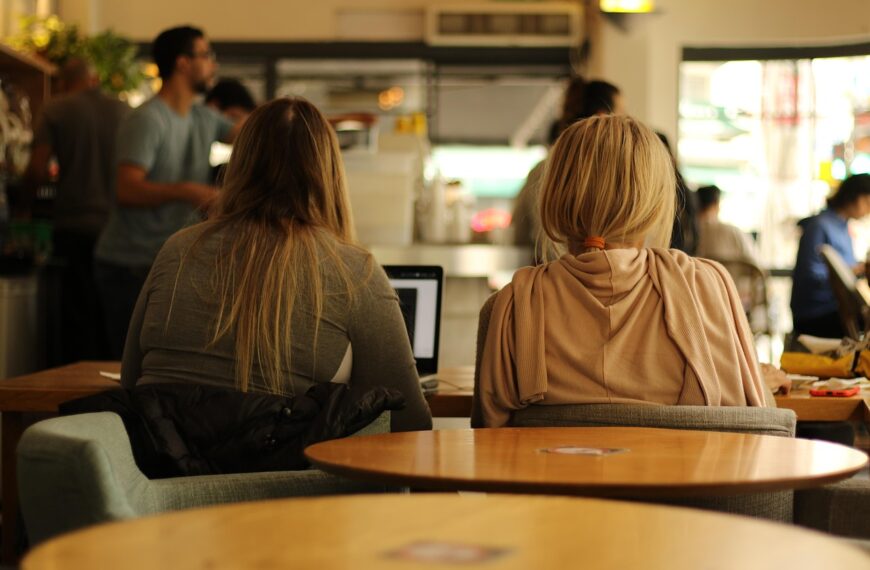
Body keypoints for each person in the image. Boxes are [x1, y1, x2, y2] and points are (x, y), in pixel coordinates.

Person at [120, 97, 432, 433]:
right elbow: (410, 419)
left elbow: (131, 379)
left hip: (159, 477)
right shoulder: (353, 272)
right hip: (288, 484)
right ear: (329, 173)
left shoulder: (178, 250)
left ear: (239, 163)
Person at [473, 115, 784, 428]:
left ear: (553, 195)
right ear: (654, 201)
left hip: (552, 476)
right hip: (683, 475)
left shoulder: (512, 307)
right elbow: (757, 428)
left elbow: (488, 444)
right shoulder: (706, 286)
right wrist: (754, 378)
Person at [94, 25, 243, 357]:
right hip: (128, 264)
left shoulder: (203, 117)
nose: (213, 65)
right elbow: (127, 189)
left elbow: (255, 132)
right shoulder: (147, 119)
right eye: (206, 55)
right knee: (131, 367)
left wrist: (322, 123)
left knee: (162, 362)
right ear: (183, 63)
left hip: (164, 260)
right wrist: (189, 191)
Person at [24, 57, 129, 362]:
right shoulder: (124, 110)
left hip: (74, 226)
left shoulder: (56, 108)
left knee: (77, 319)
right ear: (94, 78)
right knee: (111, 322)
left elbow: (37, 169)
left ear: (62, 83)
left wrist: (24, 207)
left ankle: (73, 394)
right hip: (118, 230)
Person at [512, 79, 623, 254]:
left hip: (550, 276)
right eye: (622, 114)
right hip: (607, 276)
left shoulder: (542, 170)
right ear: (603, 116)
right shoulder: (616, 173)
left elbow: (519, 232)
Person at [791, 174, 870, 338]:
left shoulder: (842, 228)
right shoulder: (819, 226)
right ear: (856, 197)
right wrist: (850, 271)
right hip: (816, 313)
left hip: (837, 309)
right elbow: (810, 275)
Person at [695, 185, 761, 266]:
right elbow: (757, 264)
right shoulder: (734, 232)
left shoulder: (687, 235)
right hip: (734, 278)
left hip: (696, 278)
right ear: (717, 204)